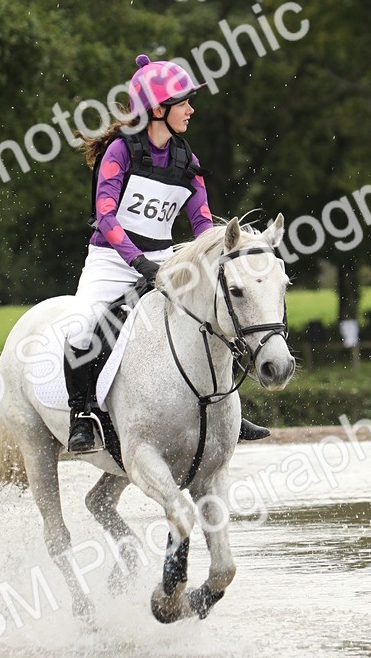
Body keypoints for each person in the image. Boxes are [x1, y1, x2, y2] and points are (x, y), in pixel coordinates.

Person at [63, 52, 270, 453]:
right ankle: (82, 415)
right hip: (111, 261)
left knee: (214, 313)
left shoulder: (185, 158)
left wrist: (213, 257)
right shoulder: (120, 151)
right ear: (158, 109)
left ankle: (227, 407)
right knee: (82, 327)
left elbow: (203, 222)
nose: (191, 110)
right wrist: (137, 261)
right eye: (184, 103)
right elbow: (105, 215)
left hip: (165, 260)